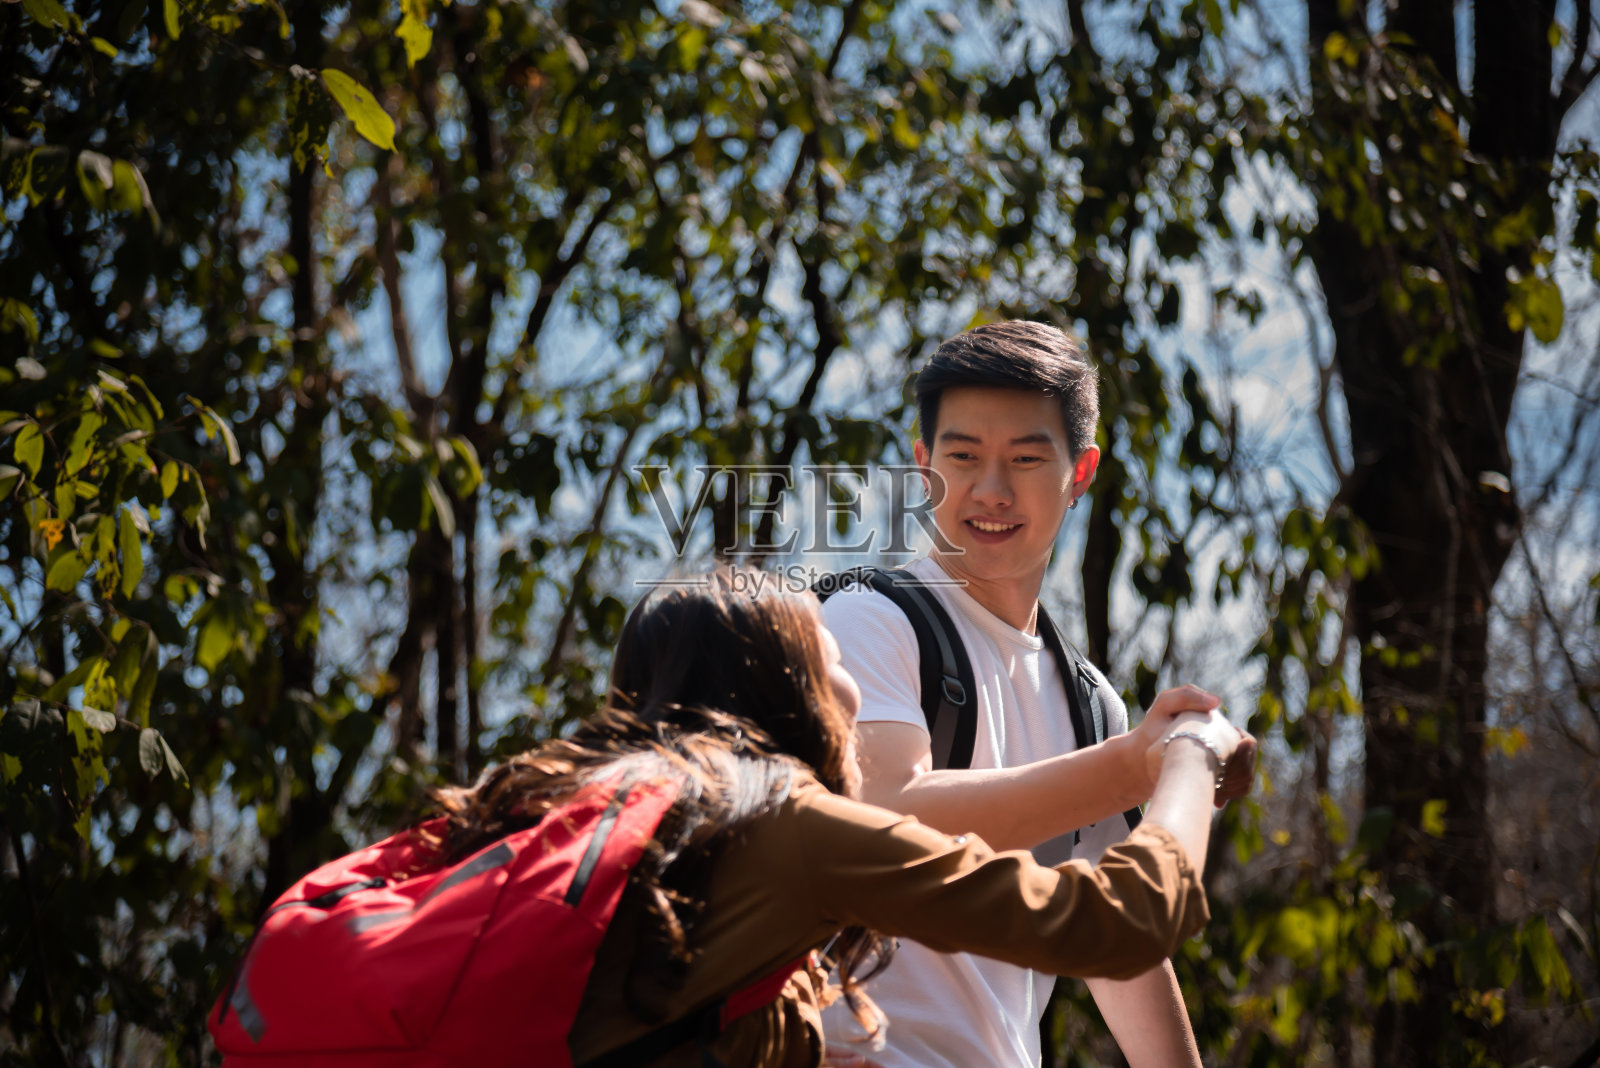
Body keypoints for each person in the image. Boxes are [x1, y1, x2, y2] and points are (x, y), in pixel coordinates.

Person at [439, 573, 1248, 1065]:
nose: (855, 680)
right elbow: (1121, 922)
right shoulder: (788, 830)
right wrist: (1180, 758)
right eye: (830, 656)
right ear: (786, 688)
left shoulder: (569, 819)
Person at [819, 321, 1250, 1067]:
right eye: (962, 457)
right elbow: (882, 824)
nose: (990, 490)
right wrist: (1134, 764)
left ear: (1080, 473)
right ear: (924, 469)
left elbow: (1119, 944)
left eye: (1025, 458)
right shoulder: (868, 618)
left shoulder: (1089, 703)